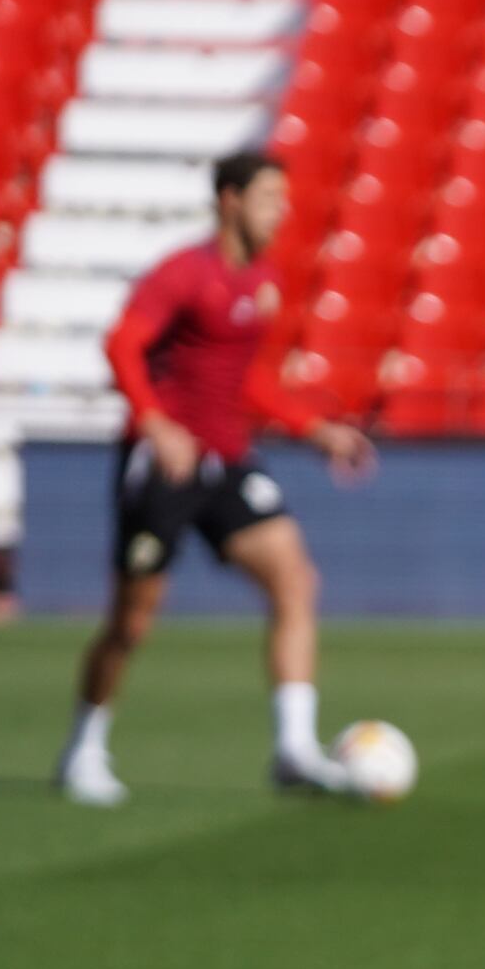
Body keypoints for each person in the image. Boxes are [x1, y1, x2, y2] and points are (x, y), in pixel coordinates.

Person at [61, 150, 378, 806]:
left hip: (227, 460)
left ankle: (295, 749)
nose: (281, 211)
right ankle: (84, 749)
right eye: (268, 197)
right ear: (230, 201)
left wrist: (311, 427)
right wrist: (155, 423)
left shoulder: (262, 279)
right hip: (166, 465)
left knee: (295, 579)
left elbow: (244, 378)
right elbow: (122, 344)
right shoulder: (183, 273)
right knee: (132, 623)